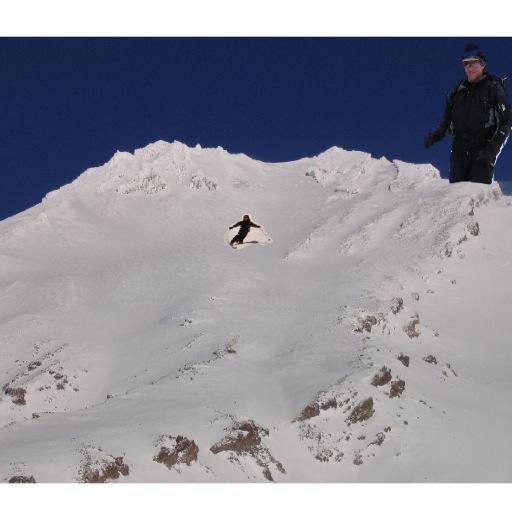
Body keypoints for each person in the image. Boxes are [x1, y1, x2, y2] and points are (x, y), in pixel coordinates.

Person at [424, 43, 511, 184]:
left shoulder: (493, 89)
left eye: (473, 63)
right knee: (457, 199)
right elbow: (447, 121)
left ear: (482, 64)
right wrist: (435, 136)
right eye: (466, 64)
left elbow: (506, 121)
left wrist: (491, 150)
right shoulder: (456, 92)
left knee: (477, 196)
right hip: (458, 155)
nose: (469, 67)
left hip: (482, 153)